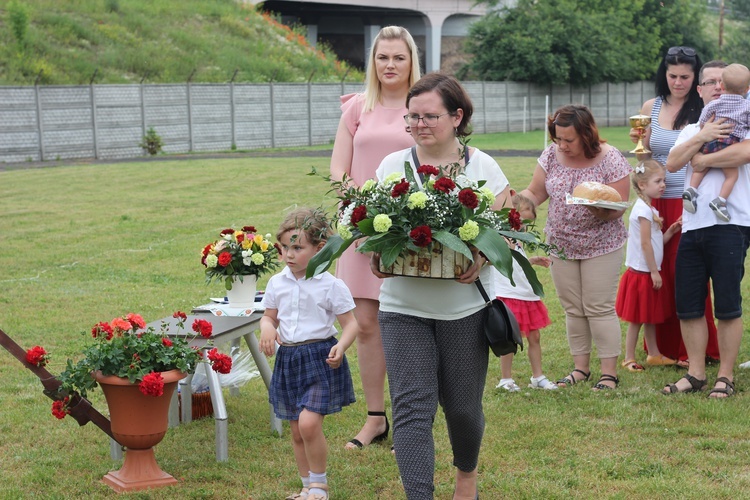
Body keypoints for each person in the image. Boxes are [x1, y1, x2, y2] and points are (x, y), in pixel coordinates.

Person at [371, 73, 511, 499]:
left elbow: (509, 226)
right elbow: (364, 227)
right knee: (412, 410)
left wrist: (484, 254)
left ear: (456, 116)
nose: (419, 124)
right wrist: (377, 252)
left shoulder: (482, 167)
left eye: (430, 116)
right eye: (412, 116)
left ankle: (465, 474)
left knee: (464, 410)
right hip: (402, 306)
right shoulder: (392, 166)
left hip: (463, 309)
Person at [329, 26, 421, 450]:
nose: (389, 65)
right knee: (365, 326)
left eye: (398, 58)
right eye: (382, 57)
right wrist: (362, 211)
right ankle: (374, 418)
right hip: (362, 228)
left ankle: (412, 416)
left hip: (411, 232)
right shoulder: (355, 108)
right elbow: (338, 171)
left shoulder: (422, 107)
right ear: (373, 62)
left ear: (410, 62)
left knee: (410, 325)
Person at [520, 104, 630, 391]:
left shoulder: (611, 158)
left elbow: (620, 206)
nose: (563, 145)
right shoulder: (550, 156)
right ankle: (580, 369)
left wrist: (600, 209)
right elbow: (535, 192)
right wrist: (520, 205)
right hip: (561, 244)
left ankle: (609, 374)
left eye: (569, 140)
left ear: (586, 134)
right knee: (573, 308)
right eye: (558, 139)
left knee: (598, 306)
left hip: (601, 244)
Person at [662, 60, 750, 397]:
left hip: (731, 223)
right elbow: (672, 162)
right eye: (710, 82)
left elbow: (744, 153)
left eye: (721, 81)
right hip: (693, 225)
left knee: (727, 303)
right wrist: (703, 137)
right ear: (700, 90)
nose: (717, 87)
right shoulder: (692, 128)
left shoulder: (743, 116)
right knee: (689, 304)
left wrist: (701, 159)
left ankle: (725, 376)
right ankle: (695, 373)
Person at [259, 208, 360, 499]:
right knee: (296, 430)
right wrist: (267, 328)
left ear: (319, 249)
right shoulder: (278, 282)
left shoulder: (330, 285)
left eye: (297, 247)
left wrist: (341, 346)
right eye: (285, 248)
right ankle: (307, 488)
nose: (289, 255)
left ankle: (319, 485)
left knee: (308, 423)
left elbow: (351, 325)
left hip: (320, 359)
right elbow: (269, 317)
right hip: (288, 360)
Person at [629, 47, 720, 366]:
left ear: (696, 79)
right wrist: (638, 146)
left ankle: (697, 349)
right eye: (672, 76)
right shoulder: (650, 107)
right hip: (656, 203)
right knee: (657, 273)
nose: (678, 82)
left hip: (692, 201)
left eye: (685, 76)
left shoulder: (704, 109)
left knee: (689, 275)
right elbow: (647, 163)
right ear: (663, 75)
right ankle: (661, 349)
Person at [616, 160, 682, 372]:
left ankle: (653, 354)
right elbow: (645, 244)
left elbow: (654, 242)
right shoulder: (643, 210)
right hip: (642, 273)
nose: (663, 185)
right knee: (637, 319)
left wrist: (670, 232)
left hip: (649, 271)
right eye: (658, 181)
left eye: (663, 180)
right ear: (642, 185)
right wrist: (655, 271)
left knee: (650, 316)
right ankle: (628, 358)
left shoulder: (648, 208)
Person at [493, 193, 557, 392]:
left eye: (527, 225)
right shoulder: (502, 237)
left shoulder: (517, 240)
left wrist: (532, 261)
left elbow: (516, 263)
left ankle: (538, 377)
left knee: (535, 337)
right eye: (521, 222)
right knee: (509, 339)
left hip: (526, 294)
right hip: (510, 294)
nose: (523, 228)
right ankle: (506, 379)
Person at [682, 63, 750, 222]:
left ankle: (691, 190)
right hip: (730, 145)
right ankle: (720, 201)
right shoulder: (747, 106)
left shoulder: (714, 104)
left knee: (700, 169)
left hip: (711, 141)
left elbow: (704, 118)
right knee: (732, 176)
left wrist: (704, 129)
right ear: (747, 89)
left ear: (723, 85)